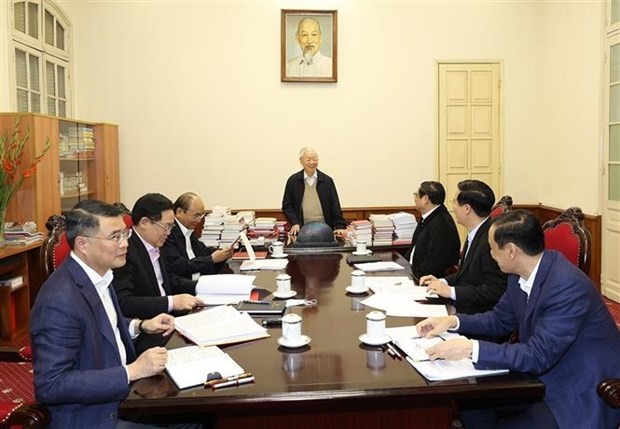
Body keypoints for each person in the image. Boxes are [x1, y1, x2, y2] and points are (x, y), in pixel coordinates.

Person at [416, 210, 620, 429]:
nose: (491, 254)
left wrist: (470, 349)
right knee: (472, 403)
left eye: (492, 248)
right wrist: (453, 322)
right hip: (538, 374)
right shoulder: (519, 274)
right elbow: (499, 319)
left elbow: (538, 355)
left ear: (511, 251)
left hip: (576, 389)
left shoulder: (566, 286)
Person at [30, 200, 175, 429]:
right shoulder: (59, 300)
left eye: (125, 234)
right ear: (83, 244)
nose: (125, 244)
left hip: (121, 395)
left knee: (200, 417)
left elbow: (100, 324)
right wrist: (131, 371)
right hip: (92, 416)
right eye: (115, 237)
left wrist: (140, 325)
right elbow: (52, 385)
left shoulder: (100, 275)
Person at [113, 193, 201, 353]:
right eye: (166, 226)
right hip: (145, 332)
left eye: (171, 226)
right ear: (145, 222)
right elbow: (124, 303)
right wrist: (171, 302)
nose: (169, 232)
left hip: (168, 322)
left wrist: (200, 287)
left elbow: (168, 280)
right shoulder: (125, 253)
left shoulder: (154, 244)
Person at [419, 179, 507, 314]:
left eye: (454, 201)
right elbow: (466, 276)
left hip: (479, 316)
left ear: (466, 209)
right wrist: (442, 281)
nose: (452, 206)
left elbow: (495, 290)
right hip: (464, 309)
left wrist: (451, 292)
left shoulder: (490, 241)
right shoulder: (476, 231)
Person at [162, 192, 233, 280]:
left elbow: (201, 250)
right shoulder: (168, 233)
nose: (199, 220)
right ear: (179, 212)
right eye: (196, 215)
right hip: (185, 286)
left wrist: (223, 253)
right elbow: (179, 266)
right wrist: (212, 259)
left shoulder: (188, 229)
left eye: (201, 216)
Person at [282, 147, 347, 237]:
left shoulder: (327, 181)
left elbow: (334, 205)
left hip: (326, 228)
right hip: (301, 229)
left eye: (315, 159)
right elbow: (287, 206)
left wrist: (340, 226)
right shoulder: (293, 181)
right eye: (308, 159)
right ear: (301, 161)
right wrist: (295, 222)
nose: (312, 162)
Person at [404, 181, 461, 279]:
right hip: (413, 272)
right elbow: (414, 249)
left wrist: (414, 277)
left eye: (416, 195)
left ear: (425, 199)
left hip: (427, 279)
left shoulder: (442, 224)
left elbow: (433, 263)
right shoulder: (428, 217)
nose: (415, 199)